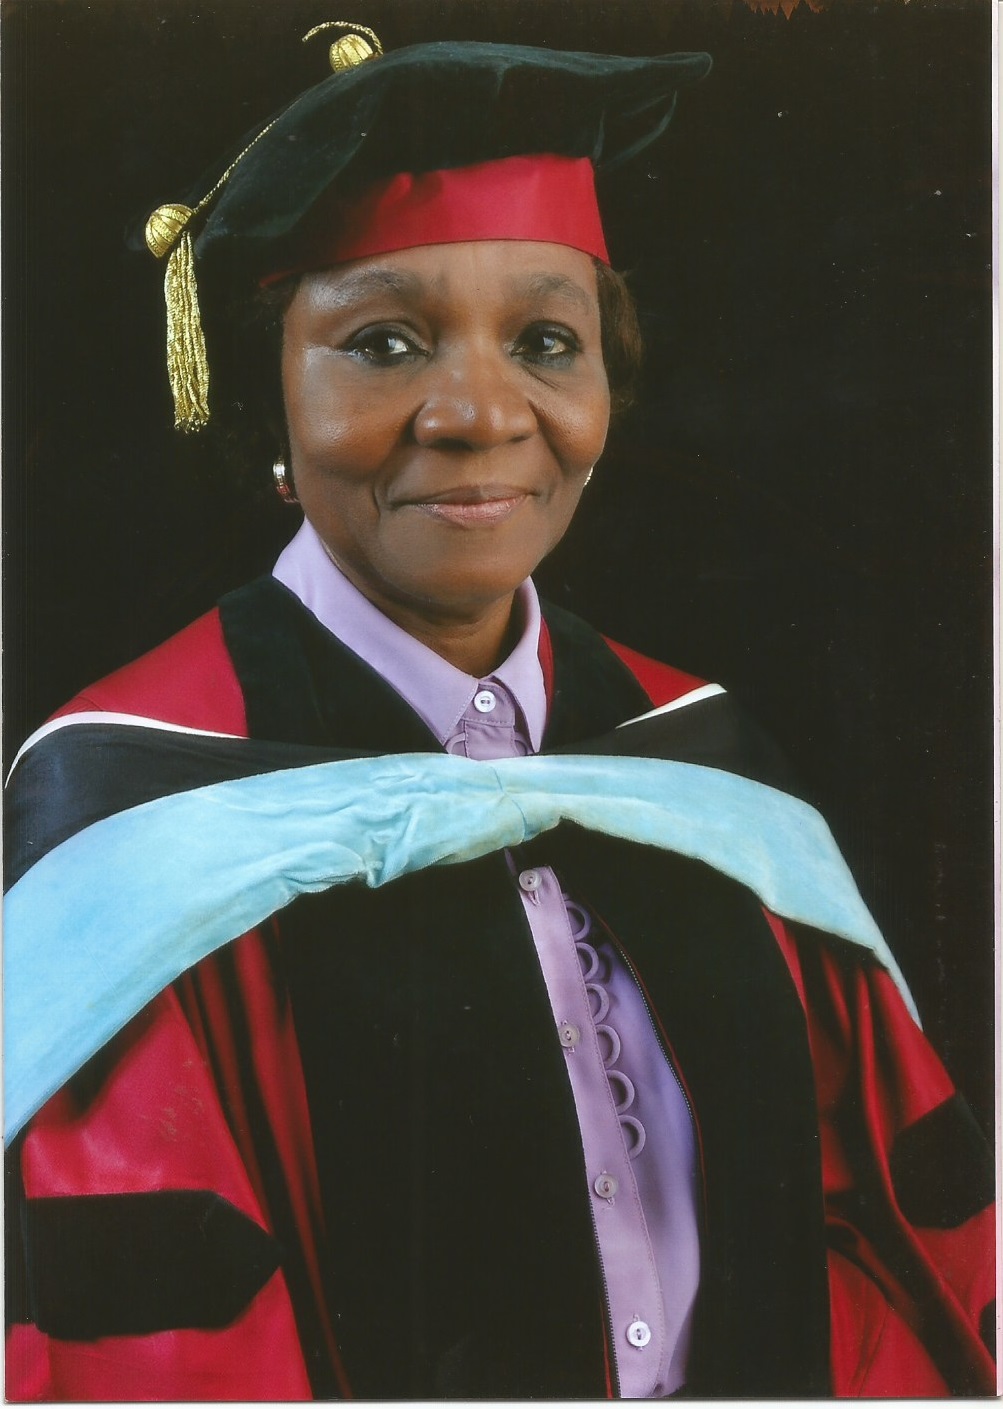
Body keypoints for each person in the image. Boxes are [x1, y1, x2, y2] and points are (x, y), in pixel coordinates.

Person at [4, 23, 995, 1402]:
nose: (480, 412)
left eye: (545, 341)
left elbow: (893, 1232)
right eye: (383, 343)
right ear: (263, 400)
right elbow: (158, 1342)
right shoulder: (136, 801)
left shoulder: (703, 756)